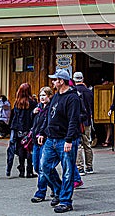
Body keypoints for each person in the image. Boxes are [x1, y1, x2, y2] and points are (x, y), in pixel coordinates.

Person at [40, 69, 81, 213]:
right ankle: (58, 190)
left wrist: (69, 140)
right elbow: (50, 116)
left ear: (61, 81)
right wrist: (43, 132)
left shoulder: (73, 98)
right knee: (44, 167)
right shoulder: (56, 96)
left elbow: (73, 120)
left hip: (65, 139)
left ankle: (65, 201)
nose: (52, 82)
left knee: (68, 171)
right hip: (51, 139)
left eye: (54, 79)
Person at [31, 86, 61, 203]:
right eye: (41, 95)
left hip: (45, 139)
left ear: (49, 96)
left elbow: (47, 124)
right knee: (37, 167)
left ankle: (41, 192)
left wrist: (43, 134)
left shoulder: (50, 109)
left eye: (44, 95)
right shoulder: (38, 108)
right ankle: (56, 186)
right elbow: (34, 124)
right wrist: (33, 113)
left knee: (43, 168)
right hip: (35, 140)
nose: (42, 98)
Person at [6, 83, 37, 178]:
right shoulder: (32, 102)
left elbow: (14, 117)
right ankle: (29, 170)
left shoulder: (17, 103)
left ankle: (21, 170)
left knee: (20, 149)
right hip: (29, 128)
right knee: (29, 148)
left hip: (18, 128)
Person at [73, 71, 94, 175]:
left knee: (78, 145)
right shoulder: (89, 91)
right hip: (87, 121)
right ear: (82, 79)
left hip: (77, 121)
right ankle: (89, 166)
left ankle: (80, 167)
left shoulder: (72, 91)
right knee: (87, 144)